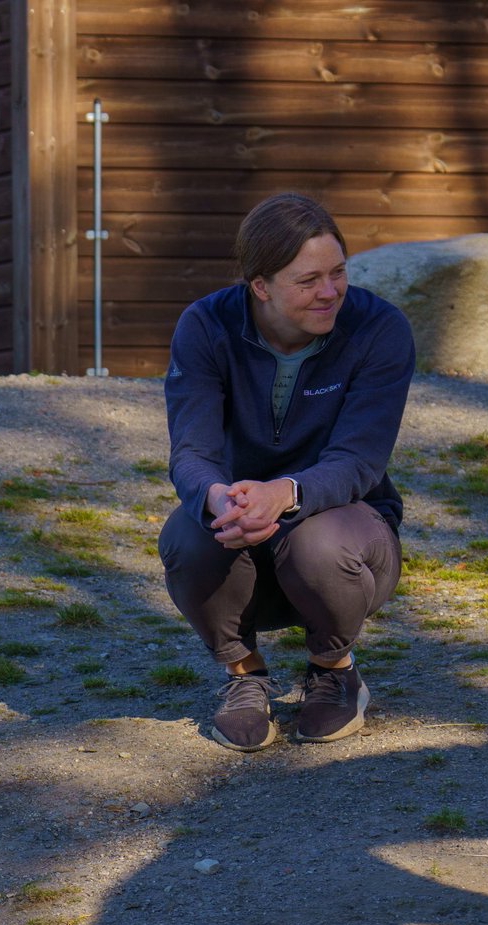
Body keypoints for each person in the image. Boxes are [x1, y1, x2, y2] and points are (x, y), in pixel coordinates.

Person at [160, 193, 415, 751]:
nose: (330, 292)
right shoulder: (206, 326)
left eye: (338, 273)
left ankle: (333, 667)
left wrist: (286, 493)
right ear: (261, 286)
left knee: (319, 543)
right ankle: (244, 676)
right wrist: (220, 497)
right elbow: (191, 453)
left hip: (347, 540)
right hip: (245, 532)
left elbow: (360, 460)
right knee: (186, 535)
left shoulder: (379, 329)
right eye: (308, 281)